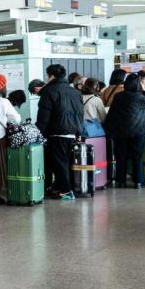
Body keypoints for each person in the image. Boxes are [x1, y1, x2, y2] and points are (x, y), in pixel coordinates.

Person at [36, 64, 84, 200]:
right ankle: (60, 187)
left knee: (59, 163)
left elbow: (44, 116)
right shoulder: (75, 92)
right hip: (73, 132)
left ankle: (65, 190)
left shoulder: (49, 91)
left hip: (57, 132)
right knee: (67, 162)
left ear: (51, 76)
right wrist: (79, 132)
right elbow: (80, 114)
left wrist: (39, 132)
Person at [104, 74, 145, 189]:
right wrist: (144, 88)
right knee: (137, 156)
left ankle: (120, 181)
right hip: (138, 130)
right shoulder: (139, 96)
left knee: (121, 156)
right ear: (138, 84)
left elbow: (112, 112)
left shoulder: (118, 96)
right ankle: (139, 181)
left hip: (121, 131)